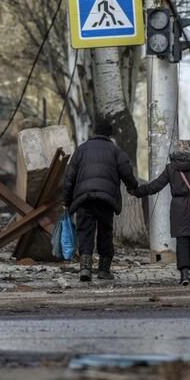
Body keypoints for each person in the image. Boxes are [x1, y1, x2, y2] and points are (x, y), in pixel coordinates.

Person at [63, 117, 139, 281]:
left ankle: (85, 269)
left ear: (95, 132)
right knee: (105, 232)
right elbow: (127, 172)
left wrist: (67, 201)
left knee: (85, 231)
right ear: (110, 134)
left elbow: (69, 177)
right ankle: (104, 270)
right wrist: (133, 187)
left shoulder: (81, 150)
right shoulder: (116, 151)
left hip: (84, 198)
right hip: (106, 199)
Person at [134, 141, 190, 285]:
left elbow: (156, 185)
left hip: (178, 208)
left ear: (178, 151)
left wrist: (139, 191)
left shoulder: (171, 168)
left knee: (182, 241)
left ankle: (184, 275)